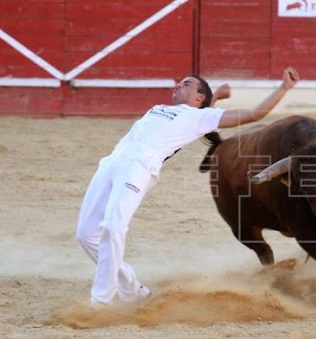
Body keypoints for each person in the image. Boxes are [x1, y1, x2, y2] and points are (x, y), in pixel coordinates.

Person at [76, 67, 300, 305]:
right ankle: (133, 290)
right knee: (86, 234)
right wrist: (216, 97)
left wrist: (284, 87)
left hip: (138, 166)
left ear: (198, 97)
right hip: (111, 163)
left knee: (113, 226)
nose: (178, 85)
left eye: (186, 84)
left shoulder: (200, 118)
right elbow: (202, 110)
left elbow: (255, 114)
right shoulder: (159, 109)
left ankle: (100, 301)